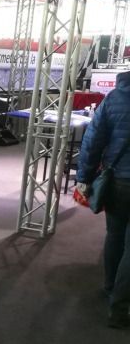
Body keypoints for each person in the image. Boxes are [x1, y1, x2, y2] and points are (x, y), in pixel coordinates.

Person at [76, 70, 130, 329]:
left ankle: (110, 287)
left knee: (115, 235)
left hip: (118, 181)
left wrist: (84, 177)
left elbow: (93, 140)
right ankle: (119, 308)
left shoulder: (114, 98)